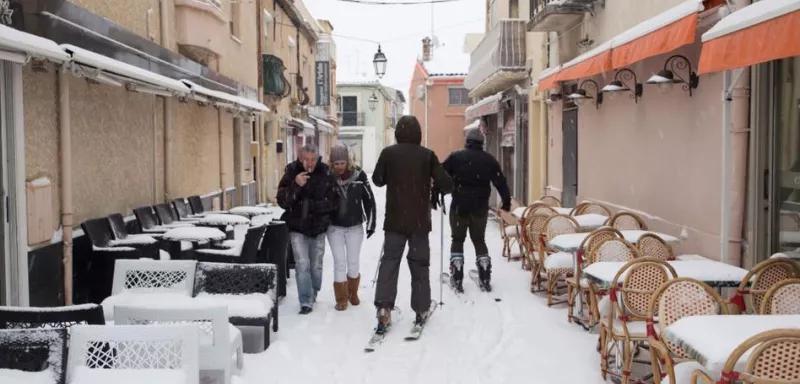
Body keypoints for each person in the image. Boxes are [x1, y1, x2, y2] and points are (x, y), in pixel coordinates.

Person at [372, 115, 453, 332]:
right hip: (419, 222)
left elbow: (377, 180)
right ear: (418, 133)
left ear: (398, 132)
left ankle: (383, 308)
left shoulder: (388, 154)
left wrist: (394, 175)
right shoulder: (427, 155)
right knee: (419, 265)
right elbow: (446, 185)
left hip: (395, 221)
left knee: (389, 263)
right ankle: (421, 308)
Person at [441, 128, 511, 292]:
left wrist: (439, 190)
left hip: (459, 206)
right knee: (479, 240)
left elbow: (441, 174)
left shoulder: (456, 157)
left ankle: (457, 276)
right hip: (480, 207)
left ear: (467, 141)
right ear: (482, 143)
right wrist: (506, 202)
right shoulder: (489, 160)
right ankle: (485, 274)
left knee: (457, 239)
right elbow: (500, 182)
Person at [277, 144, 339, 314]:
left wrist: (312, 206)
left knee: (316, 265)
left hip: (318, 227)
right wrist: (296, 186)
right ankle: (305, 300)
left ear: (317, 158)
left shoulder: (326, 173)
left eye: (313, 160)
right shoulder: (290, 173)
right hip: (297, 227)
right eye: (306, 160)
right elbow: (282, 201)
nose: (310, 163)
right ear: (299, 158)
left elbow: (333, 202)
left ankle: (314, 291)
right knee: (302, 263)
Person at [326, 144, 377, 311]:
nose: (339, 166)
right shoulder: (328, 178)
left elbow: (369, 200)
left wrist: (371, 223)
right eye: (336, 163)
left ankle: (352, 293)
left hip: (355, 227)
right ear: (331, 164)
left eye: (342, 162)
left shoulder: (359, 175)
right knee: (339, 262)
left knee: (353, 262)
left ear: (347, 162)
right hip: (334, 227)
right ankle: (341, 298)